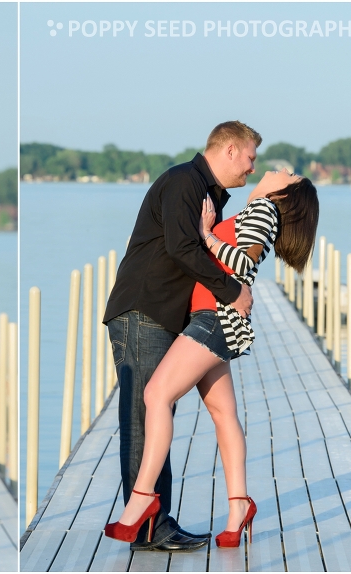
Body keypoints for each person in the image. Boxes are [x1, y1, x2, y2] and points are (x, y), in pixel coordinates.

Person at [105, 169, 319, 547]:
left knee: (156, 395)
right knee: (224, 415)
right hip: (217, 317)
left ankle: (141, 499)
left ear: (285, 194)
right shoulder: (256, 208)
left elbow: (241, 266)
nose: (276, 169)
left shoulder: (264, 212)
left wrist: (205, 235)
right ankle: (238, 509)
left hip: (214, 318)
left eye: (289, 174)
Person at [102, 121, 260, 552]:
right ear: (229, 150)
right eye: (249, 156)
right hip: (144, 311)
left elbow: (200, 250)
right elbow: (181, 247)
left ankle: (154, 521)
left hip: (167, 316)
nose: (252, 167)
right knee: (143, 413)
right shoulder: (183, 181)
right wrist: (233, 291)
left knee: (156, 407)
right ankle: (148, 529)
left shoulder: (207, 194)